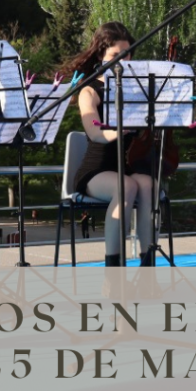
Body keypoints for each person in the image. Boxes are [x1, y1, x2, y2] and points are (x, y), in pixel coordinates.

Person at [66, 22, 155, 266]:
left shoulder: (138, 89)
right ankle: (113, 269)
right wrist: (119, 130)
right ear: (100, 55)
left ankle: (148, 267)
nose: (122, 62)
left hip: (128, 165)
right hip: (96, 170)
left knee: (148, 184)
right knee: (125, 187)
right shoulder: (89, 91)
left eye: (127, 56)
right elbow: (94, 133)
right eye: (115, 56)